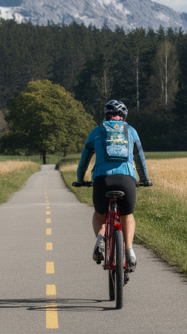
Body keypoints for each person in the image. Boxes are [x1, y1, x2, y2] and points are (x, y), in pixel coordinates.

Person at [73, 100, 152, 274]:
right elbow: (140, 159)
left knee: (100, 215)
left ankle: (99, 240)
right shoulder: (130, 131)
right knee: (127, 215)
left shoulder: (97, 131)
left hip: (102, 180)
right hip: (127, 180)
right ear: (124, 116)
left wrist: (80, 179)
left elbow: (84, 159)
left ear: (106, 115)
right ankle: (129, 249)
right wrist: (145, 179)